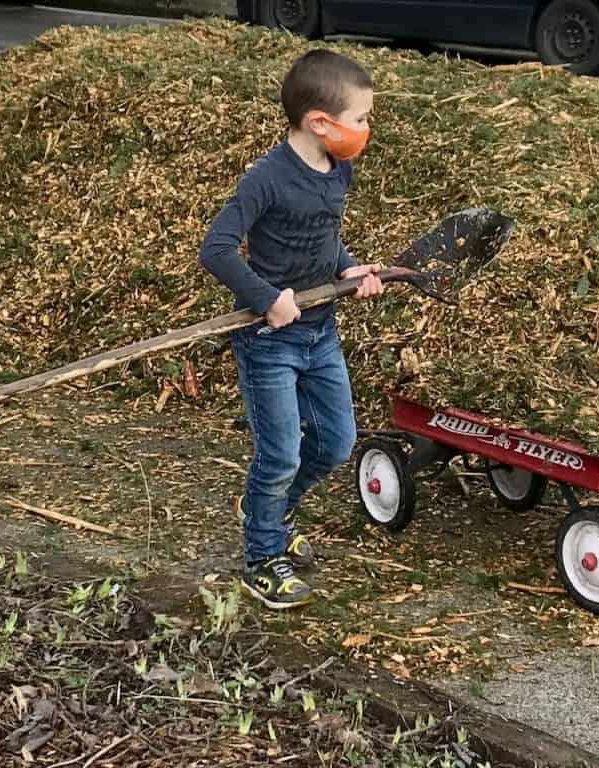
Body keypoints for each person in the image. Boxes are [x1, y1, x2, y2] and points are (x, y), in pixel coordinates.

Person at [199, 49, 383, 609]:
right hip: (269, 340)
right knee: (279, 454)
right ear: (321, 122)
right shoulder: (267, 179)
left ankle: (269, 509)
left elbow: (322, 235)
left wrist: (346, 267)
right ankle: (263, 556)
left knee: (336, 442)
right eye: (361, 119)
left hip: (320, 331)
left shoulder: (338, 167)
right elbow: (216, 249)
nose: (365, 130)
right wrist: (265, 298)